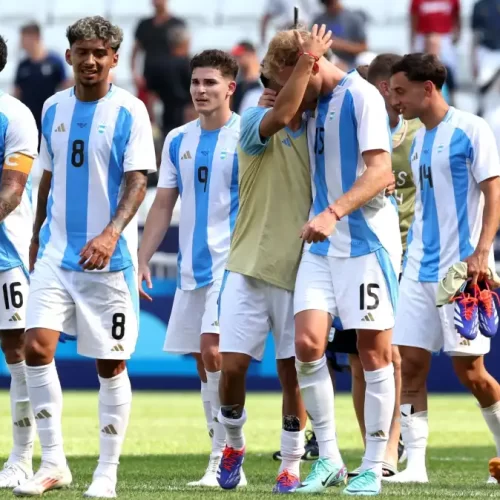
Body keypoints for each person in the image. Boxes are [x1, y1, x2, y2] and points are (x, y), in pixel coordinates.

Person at [12, 16, 156, 498]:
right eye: (82, 51)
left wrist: (113, 234)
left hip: (108, 261)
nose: (90, 60)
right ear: (69, 55)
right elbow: (47, 178)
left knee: (109, 366)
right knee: (35, 347)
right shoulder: (52, 107)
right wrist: (36, 236)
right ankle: (53, 462)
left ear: (115, 59)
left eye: (100, 53)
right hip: (56, 252)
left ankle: (106, 471)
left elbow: (138, 181)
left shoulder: (130, 112)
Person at [260, 24, 400, 496]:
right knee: (306, 344)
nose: (288, 95)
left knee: (374, 353)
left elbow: (381, 172)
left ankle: (375, 466)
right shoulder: (313, 107)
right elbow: (283, 120)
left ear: (312, 64)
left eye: (290, 81)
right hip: (321, 248)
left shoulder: (362, 97)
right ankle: (332, 461)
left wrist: (333, 211)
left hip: (362, 241)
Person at [215, 33, 331, 491]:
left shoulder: (320, 133)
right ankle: (234, 444)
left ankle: (291, 462)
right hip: (247, 265)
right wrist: (307, 59)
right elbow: (283, 113)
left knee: (293, 373)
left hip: (298, 269)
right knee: (232, 369)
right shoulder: (254, 120)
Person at [388, 53, 500, 484]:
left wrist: (482, 252)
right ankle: (414, 467)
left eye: (401, 91)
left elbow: (494, 192)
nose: (395, 99)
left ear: (427, 89)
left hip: (459, 270)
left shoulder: (472, 128)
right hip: (417, 267)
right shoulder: (416, 140)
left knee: (470, 371)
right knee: (410, 364)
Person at [138, 49, 245, 488]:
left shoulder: (248, 136)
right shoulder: (178, 139)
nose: (201, 91)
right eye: (196, 83)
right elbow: (163, 203)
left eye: (211, 83)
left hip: (234, 263)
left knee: (214, 350)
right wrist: (143, 257)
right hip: (191, 267)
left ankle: (227, 458)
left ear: (230, 88)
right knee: (204, 363)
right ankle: (220, 455)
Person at [0, 34, 39, 489]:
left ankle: (22, 457)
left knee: (18, 353)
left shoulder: (14, 116)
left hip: (6, 252)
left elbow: (11, 190)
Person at [14, 22, 68, 146]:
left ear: (36, 37)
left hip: (50, 120)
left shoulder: (55, 61)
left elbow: (65, 87)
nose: (21, 42)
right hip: (28, 122)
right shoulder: (23, 65)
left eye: (24, 38)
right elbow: (17, 92)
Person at [131, 0, 186, 122]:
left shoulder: (177, 23)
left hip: (171, 78)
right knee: (143, 115)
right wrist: (135, 73)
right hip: (149, 76)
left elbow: (184, 49)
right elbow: (135, 50)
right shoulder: (144, 24)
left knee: (172, 116)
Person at [313, 0, 368, 70]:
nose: (330, 6)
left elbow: (364, 47)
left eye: (331, 2)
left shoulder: (354, 18)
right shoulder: (319, 20)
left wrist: (340, 44)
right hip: (326, 62)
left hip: (351, 62)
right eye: (326, 3)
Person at [231, 42, 263, 115]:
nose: (237, 59)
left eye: (240, 56)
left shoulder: (265, 81)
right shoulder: (237, 85)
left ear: (251, 55)